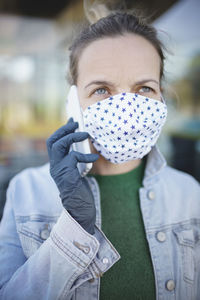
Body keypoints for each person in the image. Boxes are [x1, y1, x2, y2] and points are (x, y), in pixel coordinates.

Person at [0, 10, 200, 300]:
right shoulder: (26, 192)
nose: (126, 107)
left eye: (144, 88)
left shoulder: (190, 195)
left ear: (161, 96)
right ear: (73, 102)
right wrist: (72, 228)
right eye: (101, 89)